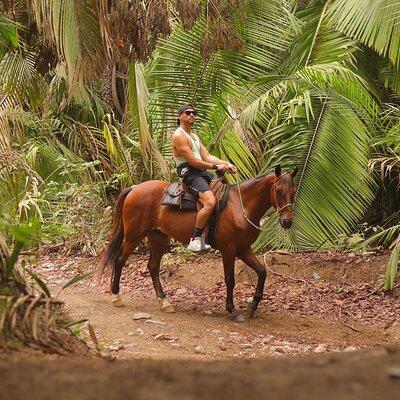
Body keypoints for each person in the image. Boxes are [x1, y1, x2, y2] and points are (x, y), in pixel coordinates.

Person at [172, 104, 237, 252]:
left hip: (201, 172)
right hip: (190, 174)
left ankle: (216, 234)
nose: (192, 115)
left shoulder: (194, 136)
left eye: (194, 113)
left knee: (224, 192)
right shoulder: (178, 136)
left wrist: (227, 163)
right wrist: (216, 167)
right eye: (188, 113)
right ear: (180, 116)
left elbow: (207, 156)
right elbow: (193, 161)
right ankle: (196, 239)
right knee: (210, 201)